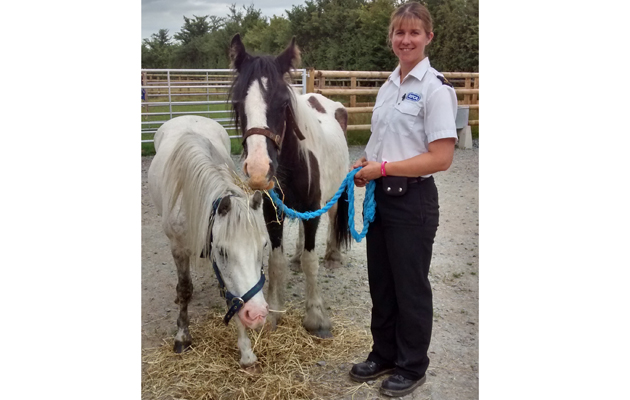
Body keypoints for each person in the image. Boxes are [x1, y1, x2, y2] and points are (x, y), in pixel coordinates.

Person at [348, 2, 458, 397]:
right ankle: (384, 353)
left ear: (428, 37)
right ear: (391, 38)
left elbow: (441, 157)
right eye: (399, 33)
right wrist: (367, 164)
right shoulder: (389, 86)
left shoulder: (435, 89)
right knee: (383, 282)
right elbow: (383, 145)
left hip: (413, 201)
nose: (405, 40)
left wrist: (384, 168)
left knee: (410, 285)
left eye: (414, 33)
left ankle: (412, 365)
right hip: (382, 196)